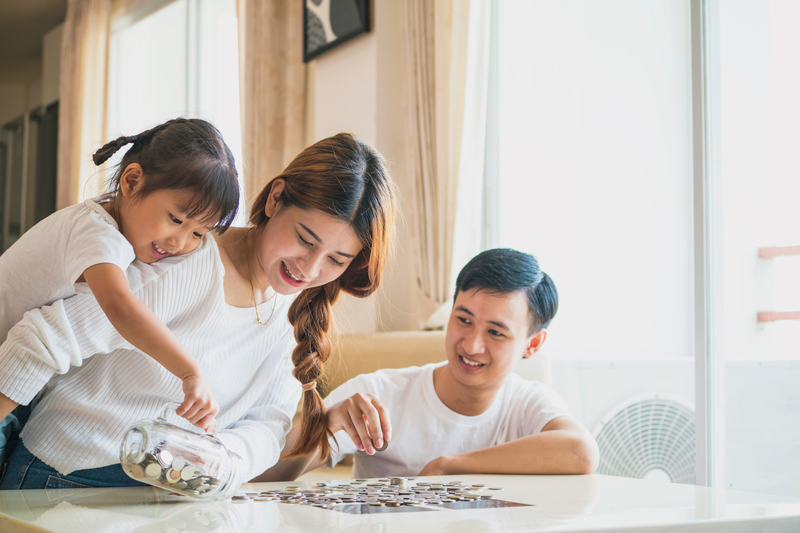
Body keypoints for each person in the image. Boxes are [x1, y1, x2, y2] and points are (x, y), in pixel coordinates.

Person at [0, 132, 397, 490]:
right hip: (71, 475)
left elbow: (268, 425)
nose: (310, 270)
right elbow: (41, 339)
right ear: (276, 199)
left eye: (337, 260)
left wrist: (220, 460)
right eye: (305, 239)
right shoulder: (184, 259)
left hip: (171, 488)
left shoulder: (297, 312)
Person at [0, 118, 240, 468]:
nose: (180, 242)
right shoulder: (96, 234)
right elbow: (121, 307)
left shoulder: (120, 233)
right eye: (176, 219)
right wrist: (190, 371)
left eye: (199, 234)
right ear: (131, 181)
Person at [261, 248, 599, 480]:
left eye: (496, 332)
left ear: (533, 343)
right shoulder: (378, 393)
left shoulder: (528, 402)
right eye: (463, 320)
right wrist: (327, 424)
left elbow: (582, 453)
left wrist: (449, 467)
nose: (472, 344)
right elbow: (265, 473)